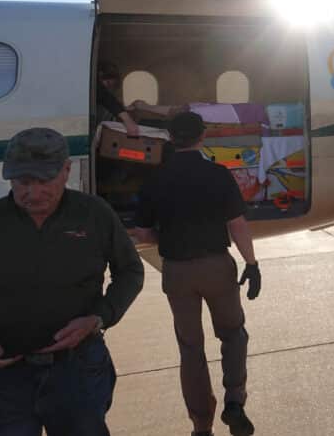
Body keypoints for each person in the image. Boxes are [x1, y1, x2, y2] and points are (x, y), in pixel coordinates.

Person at [0, 127, 145, 435]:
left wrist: (99, 317)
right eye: (23, 182)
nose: (33, 193)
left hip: (78, 370)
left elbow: (130, 271)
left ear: (66, 171)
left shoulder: (94, 215)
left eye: (44, 181)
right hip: (4, 377)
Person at [133, 112, 262, 436]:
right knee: (233, 334)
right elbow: (237, 224)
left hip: (177, 271)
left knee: (191, 348)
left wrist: (171, 240)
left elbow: (142, 232)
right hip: (216, 266)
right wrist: (252, 263)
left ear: (171, 138)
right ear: (201, 136)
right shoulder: (218, 174)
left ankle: (201, 426)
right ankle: (235, 401)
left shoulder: (155, 179)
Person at [97, 60, 140, 137]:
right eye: (107, 83)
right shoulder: (98, 89)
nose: (107, 87)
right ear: (100, 75)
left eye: (111, 85)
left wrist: (124, 108)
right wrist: (127, 120)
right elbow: (106, 98)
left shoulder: (108, 94)